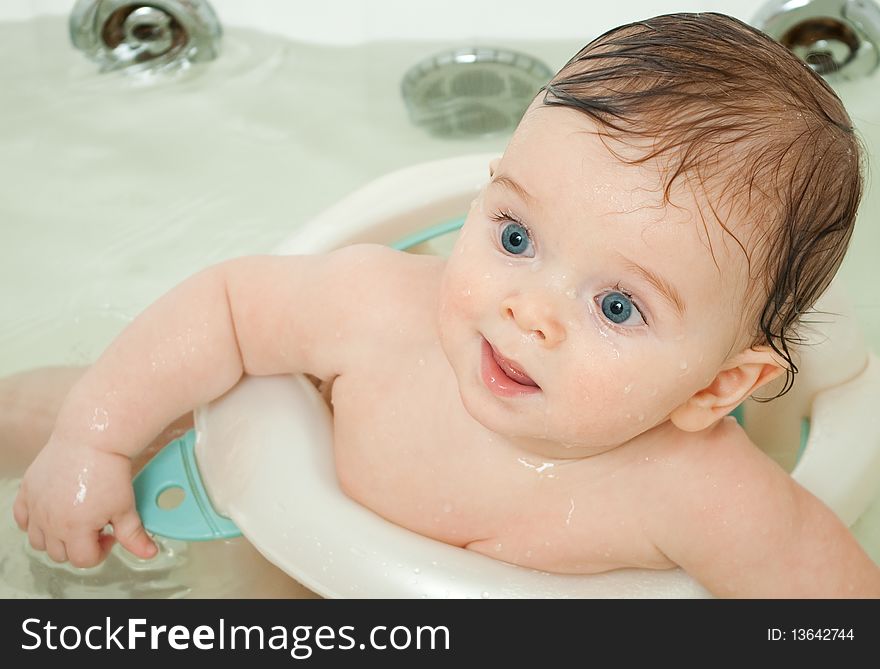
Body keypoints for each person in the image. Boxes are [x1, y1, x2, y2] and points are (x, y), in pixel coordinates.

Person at [10, 12, 880, 597]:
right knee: (46, 408)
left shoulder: (705, 497)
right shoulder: (379, 312)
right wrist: (94, 439)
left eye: (618, 307)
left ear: (716, 387)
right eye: (514, 237)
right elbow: (228, 307)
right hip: (253, 537)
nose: (527, 312)